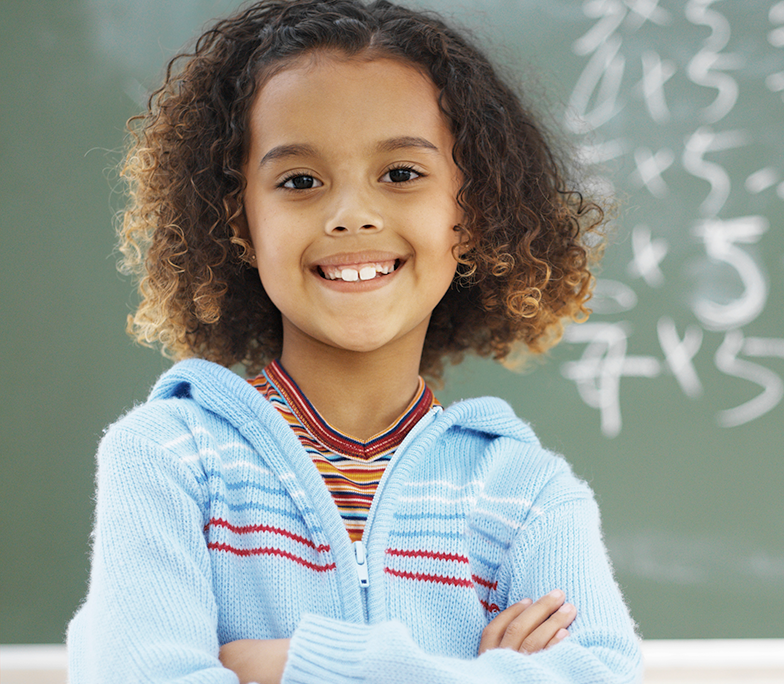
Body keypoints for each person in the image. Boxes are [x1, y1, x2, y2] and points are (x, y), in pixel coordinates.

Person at [66, 1, 641, 682]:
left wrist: (300, 666)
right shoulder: (169, 458)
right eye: (300, 182)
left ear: (472, 212)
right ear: (238, 222)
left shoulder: (526, 496)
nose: (352, 216)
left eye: (401, 174)